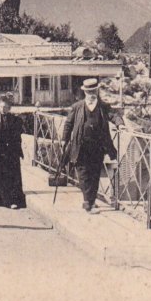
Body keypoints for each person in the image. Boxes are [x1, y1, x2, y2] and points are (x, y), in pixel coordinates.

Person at [62, 78, 125, 214]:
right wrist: (64, 140)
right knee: (83, 172)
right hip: (80, 146)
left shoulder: (103, 106)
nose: (91, 94)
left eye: (93, 91)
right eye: (89, 92)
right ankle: (88, 202)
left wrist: (120, 124)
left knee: (95, 173)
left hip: (97, 146)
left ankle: (90, 200)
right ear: (85, 92)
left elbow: (114, 115)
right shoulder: (77, 107)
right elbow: (68, 124)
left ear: (97, 91)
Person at [0, 95, 27, 209]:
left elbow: (18, 136)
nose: (3, 109)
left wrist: (18, 149)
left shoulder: (15, 120)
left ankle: (13, 201)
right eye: (1, 107)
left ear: (9, 108)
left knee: (13, 176)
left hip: (11, 152)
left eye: (5, 107)